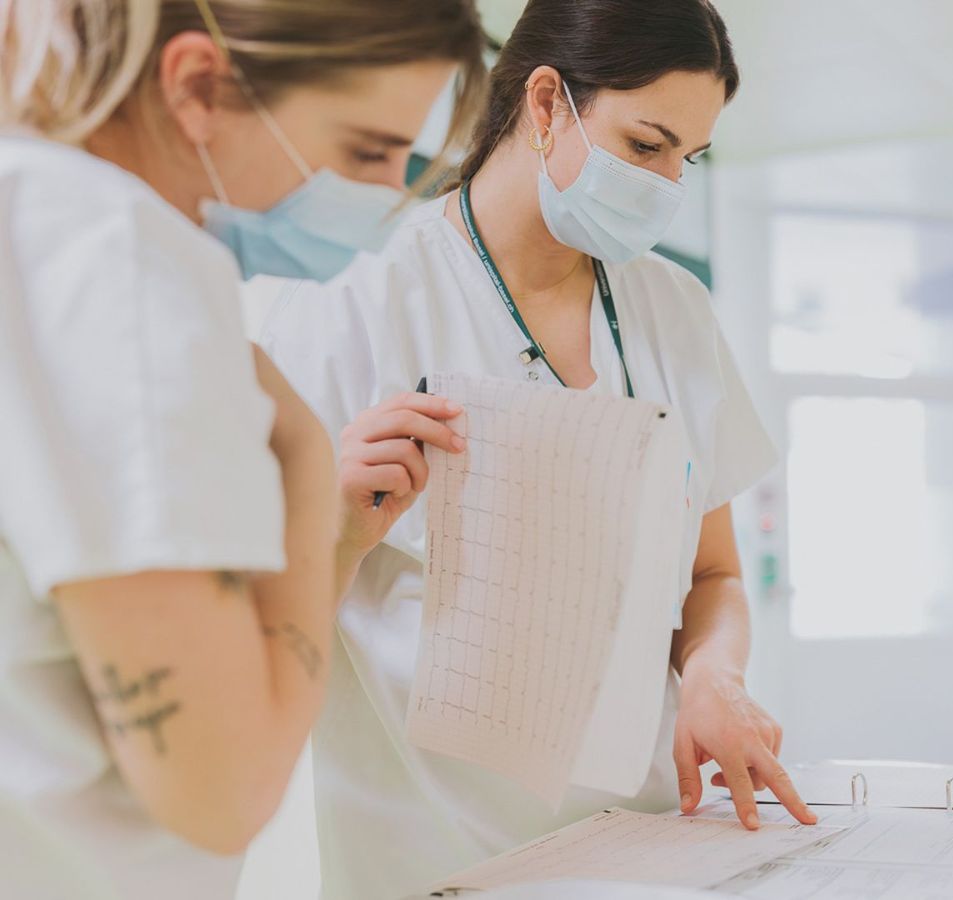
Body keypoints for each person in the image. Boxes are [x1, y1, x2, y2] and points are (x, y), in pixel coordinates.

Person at [259, 0, 814, 895]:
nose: (670, 184)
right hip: (438, 864)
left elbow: (713, 577)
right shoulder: (355, 296)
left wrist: (716, 673)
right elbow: (243, 615)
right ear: (547, 102)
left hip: (648, 849)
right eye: (647, 145)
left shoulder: (673, 309)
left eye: (689, 158)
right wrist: (334, 523)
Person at [0, 1, 484, 897]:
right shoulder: (121, 261)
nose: (386, 199)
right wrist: (304, 465)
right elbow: (224, 790)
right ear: (197, 88)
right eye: (368, 152)